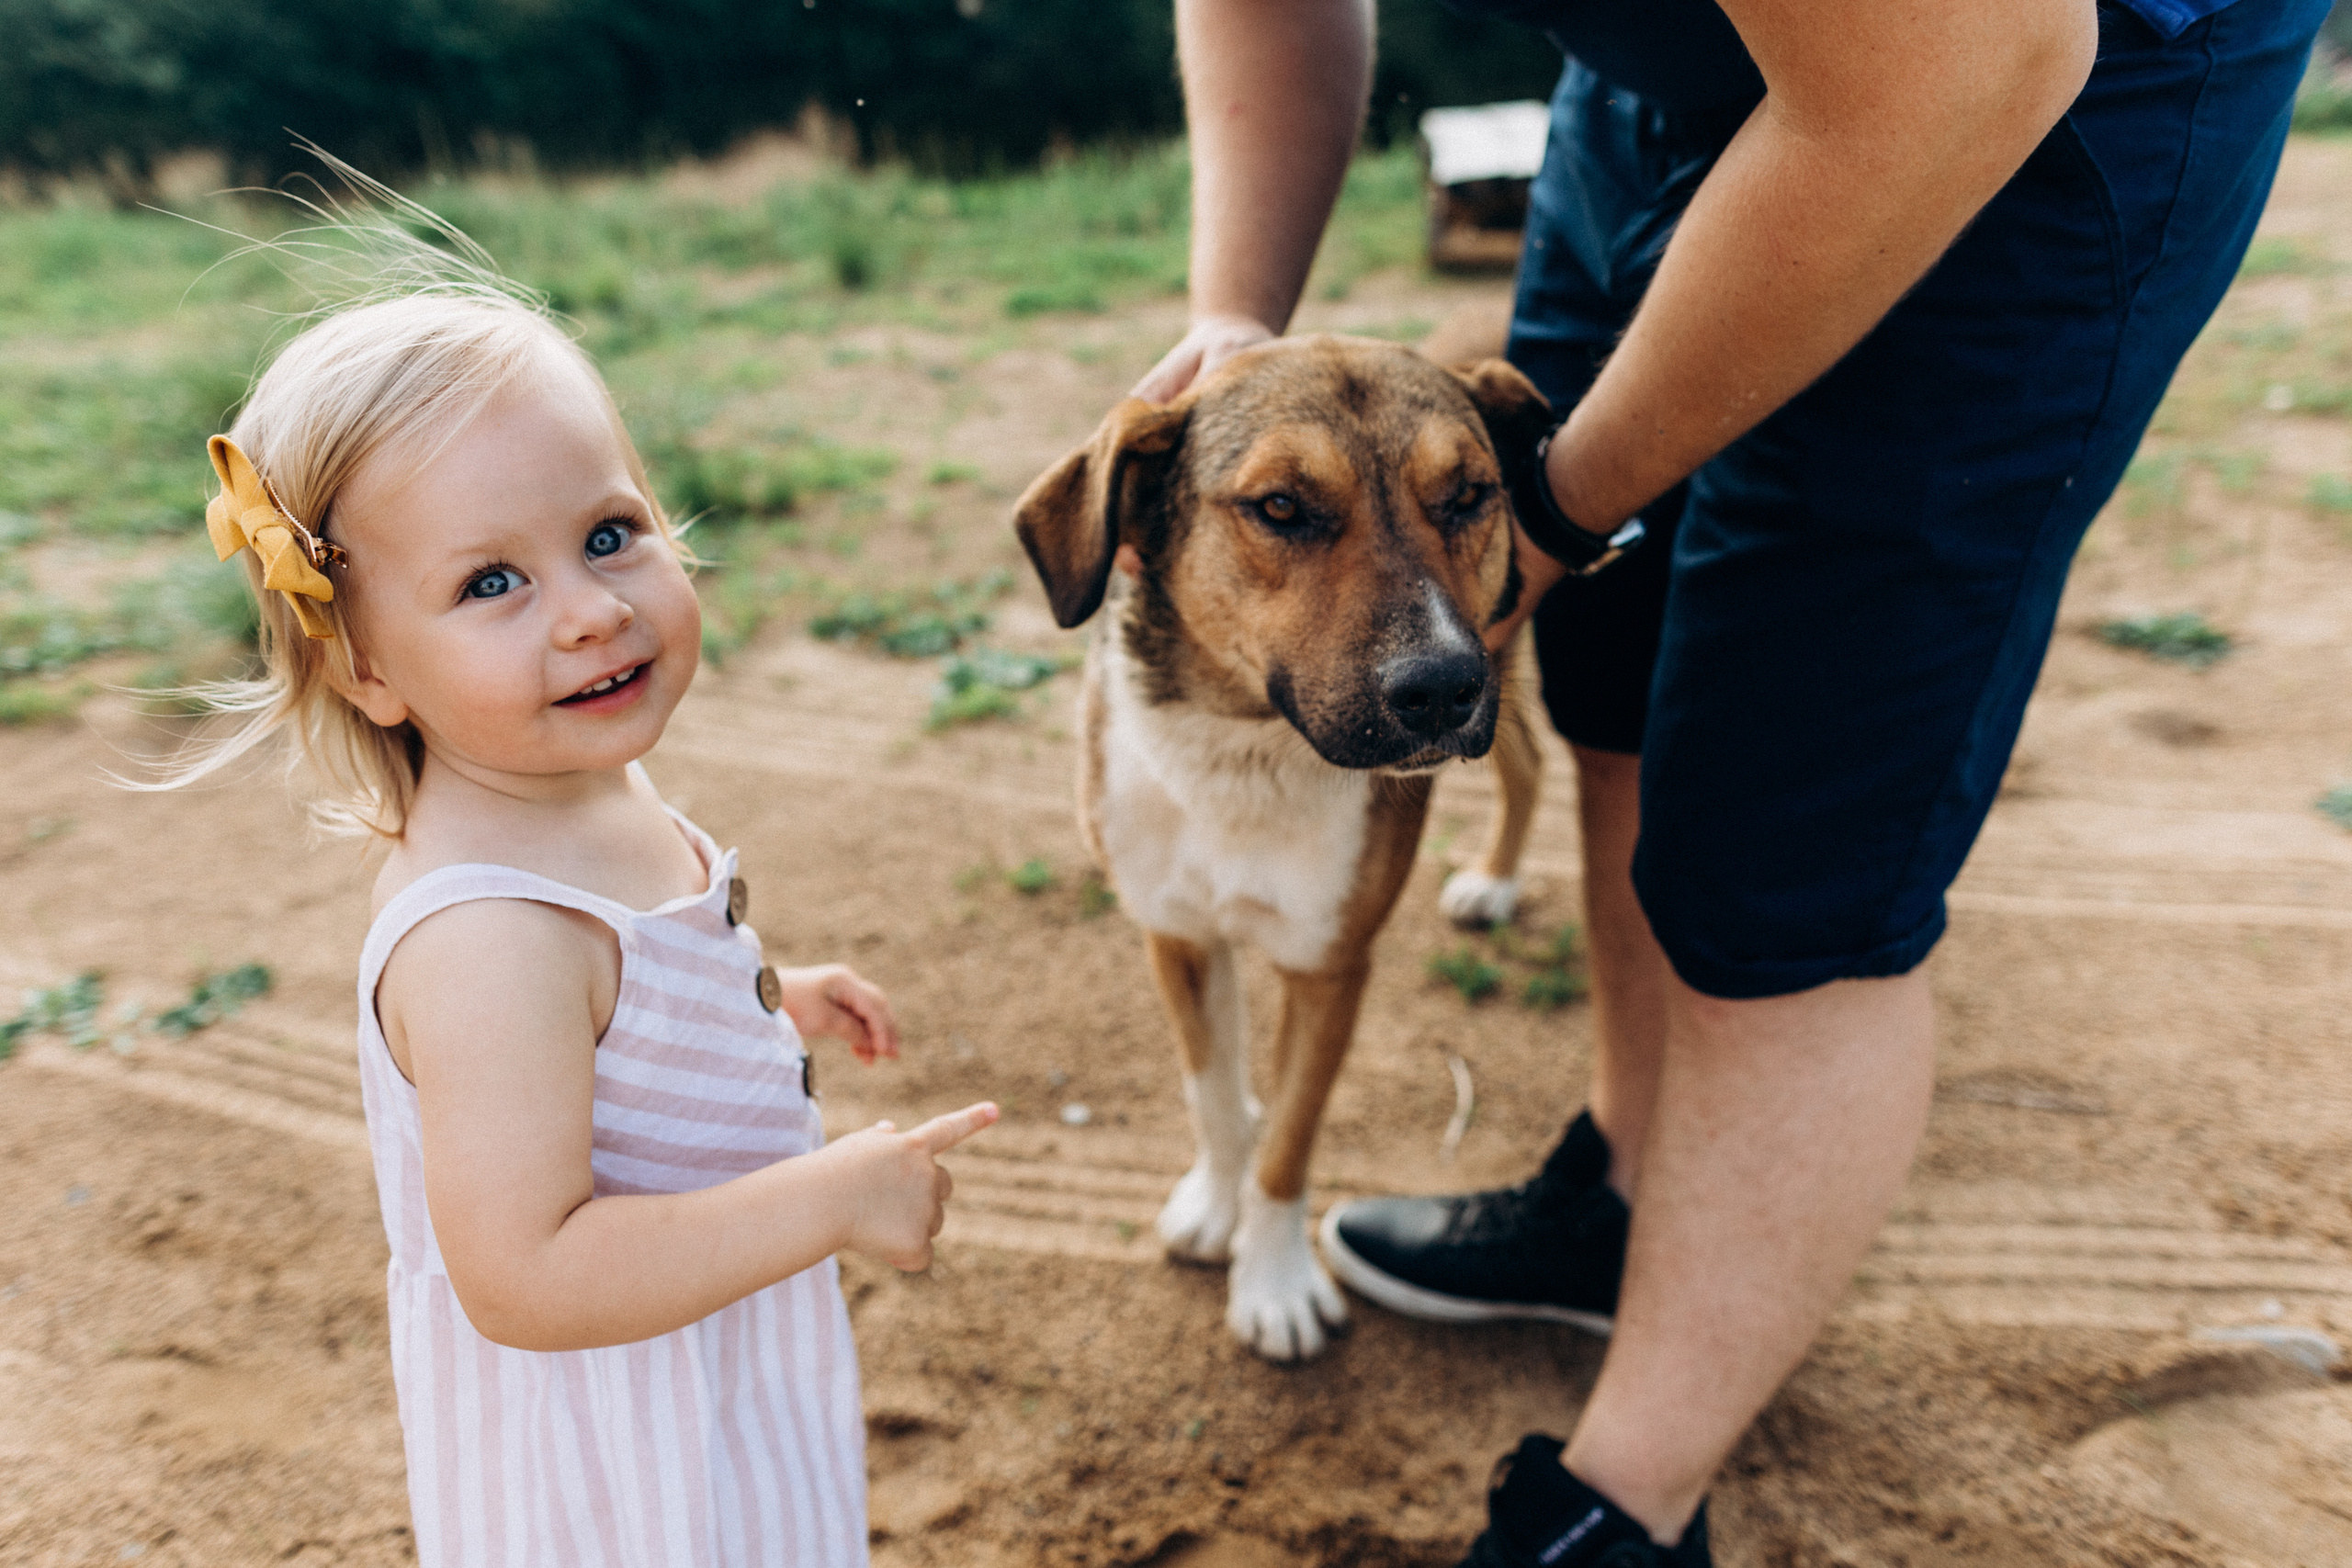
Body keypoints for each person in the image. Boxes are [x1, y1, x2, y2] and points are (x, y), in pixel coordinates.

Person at [1133, 0, 2332, 1562]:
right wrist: (1236, 312)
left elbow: (1972, 62)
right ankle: (1625, 1196)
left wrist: (1563, 513)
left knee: (1793, 821)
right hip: (1683, 72)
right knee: (1615, 666)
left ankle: (1625, 1506)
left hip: (2013, 99)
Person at [156, 228, 999, 1565]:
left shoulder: (584, 785)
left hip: (708, 1362)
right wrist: (834, 1200)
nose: (591, 611)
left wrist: (773, 998)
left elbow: (633, 996)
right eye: (492, 582)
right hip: (617, 1466)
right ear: (366, 667)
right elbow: (526, 1275)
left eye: (609, 533)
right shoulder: (486, 938)